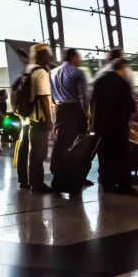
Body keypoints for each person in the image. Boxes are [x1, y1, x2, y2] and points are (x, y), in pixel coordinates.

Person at [92, 59, 137, 194]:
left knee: (105, 155)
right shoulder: (122, 82)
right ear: (122, 68)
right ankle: (124, 185)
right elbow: (129, 106)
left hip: (101, 125)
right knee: (121, 155)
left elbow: (92, 102)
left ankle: (107, 184)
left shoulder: (99, 80)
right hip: (117, 125)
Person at [15, 43, 54, 193]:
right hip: (39, 119)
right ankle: (36, 184)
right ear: (40, 55)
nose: (49, 56)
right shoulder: (41, 73)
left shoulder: (27, 71)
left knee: (25, 150)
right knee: (38, 152)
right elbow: (44, 97)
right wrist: (49, 119)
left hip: (26, 118)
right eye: (47, 53)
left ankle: (23, 180)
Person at [49, 49, 91, 185]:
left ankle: (57, 173)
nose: (79, 60)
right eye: (78, 57)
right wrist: (86, 114)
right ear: (73, 57)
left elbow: (49, 93)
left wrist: (54, 104)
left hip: (60, 110)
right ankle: (77, 175)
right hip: (75, 110)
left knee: (60, 143)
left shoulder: (52, 73)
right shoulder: (77, 72)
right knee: (79, 145)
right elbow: (83, 96)